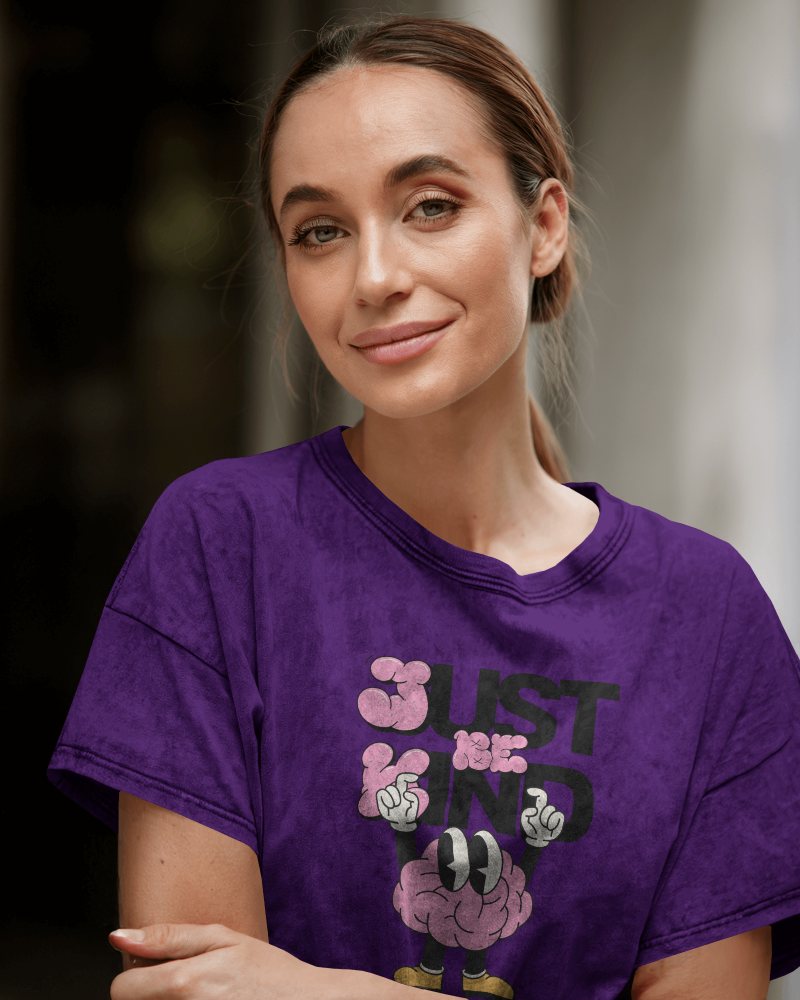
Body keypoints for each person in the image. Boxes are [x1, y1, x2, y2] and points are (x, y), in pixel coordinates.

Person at [46, 13, 800, 1000]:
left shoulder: (705, 616)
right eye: (318, 231)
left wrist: (328, 992)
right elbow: (195, 989)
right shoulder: (220, 546)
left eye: (430, 206)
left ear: (542, 225)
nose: (373, 277)